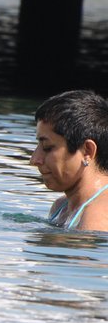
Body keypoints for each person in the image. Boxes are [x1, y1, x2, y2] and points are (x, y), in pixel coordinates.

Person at [30, 89, 108, 231]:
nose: (34, 160)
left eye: (47, 147)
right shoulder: (60, 207)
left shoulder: (96, 217)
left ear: (87, 151)